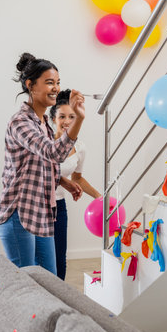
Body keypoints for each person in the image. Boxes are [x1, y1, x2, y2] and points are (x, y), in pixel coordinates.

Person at [0, 53, 85, 275]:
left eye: (57, 82)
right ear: (30, 85)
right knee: (27, 286)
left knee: (50, 280)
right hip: (19, 215)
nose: (55, 88)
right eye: (49, 82)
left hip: (42, 214)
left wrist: (64, 181)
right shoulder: (20, 122)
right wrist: (79, 119)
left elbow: (42, 166)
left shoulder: (43, 122)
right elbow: (52, 152)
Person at [49, 89, 101, 280]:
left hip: (59, 207)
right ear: (53, 118)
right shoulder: (44, 142)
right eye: (62, 116)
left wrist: (98, 197)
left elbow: (77, 178)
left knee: (59, 260)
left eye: (72, 116)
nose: (67, 121)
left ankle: (58, 302)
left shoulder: (80, 148)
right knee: (41, 261)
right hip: (38, 205)